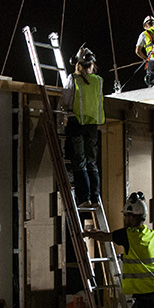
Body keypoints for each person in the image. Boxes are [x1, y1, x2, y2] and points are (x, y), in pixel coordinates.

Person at [59, 44, 105, 207]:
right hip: (92, 126)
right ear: (92, 64)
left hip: (76, 123)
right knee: (91, 163)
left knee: (80, 162)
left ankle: (84, 198)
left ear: (77, 64)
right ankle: (95, 197)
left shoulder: (73, 79)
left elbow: (66, 100)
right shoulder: (99, 81)